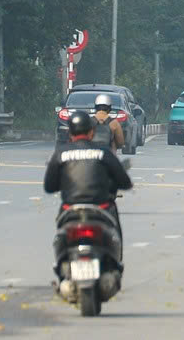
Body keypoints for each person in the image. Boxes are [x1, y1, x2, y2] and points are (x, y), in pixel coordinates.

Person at [43, 108, 134, 278]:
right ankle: (117, 261)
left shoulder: (61, 154)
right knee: (115, 223)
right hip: (102, 207)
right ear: (91, 132)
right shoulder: (104, 153)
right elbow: (125, 182)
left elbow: (49, 186)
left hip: (71, 209)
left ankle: (61, 263)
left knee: (60, 229)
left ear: (70, 133)